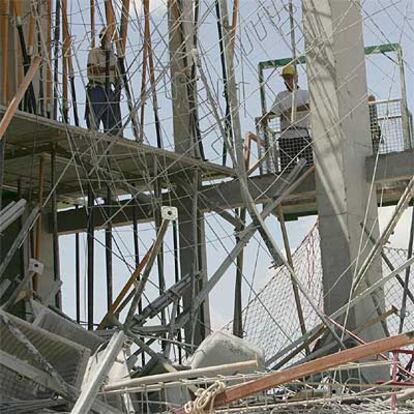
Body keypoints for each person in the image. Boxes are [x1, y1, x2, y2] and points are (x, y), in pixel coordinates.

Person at [262, 64, 312, 172]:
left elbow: (309, 106)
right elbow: (274, 111)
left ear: (296, 78)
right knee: (287, 170)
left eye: (290, 77)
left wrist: (291, 110)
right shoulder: (281, 96)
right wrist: (266, 116)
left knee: (309, 167)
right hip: (286, 137)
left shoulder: (304, 94)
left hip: (302, 135)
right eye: (286, 78)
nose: (288, 80)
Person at [85, 26, 121, 135]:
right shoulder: (94, 52)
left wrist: (118, 86)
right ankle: (93, 134)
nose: (107, 41)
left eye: (109, 38)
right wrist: (107, 68)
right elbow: (92, 69)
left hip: (109, 89)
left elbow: (117, 74)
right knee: (94, 117)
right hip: (97, 88)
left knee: (113, 121)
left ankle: (112, 138)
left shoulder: (113, 57)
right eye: (105, 38)